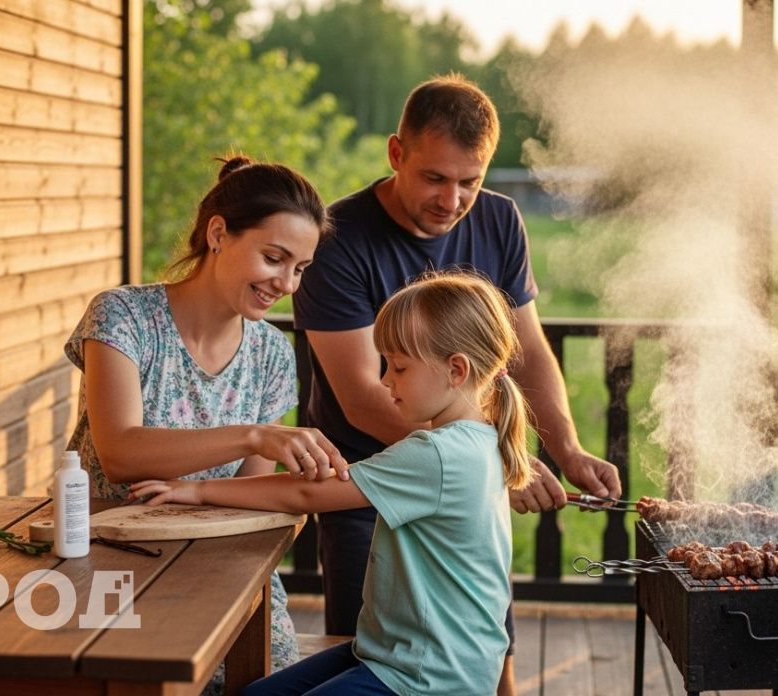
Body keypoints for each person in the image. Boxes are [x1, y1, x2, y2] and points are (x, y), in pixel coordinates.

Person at [291, 73, 623, 693]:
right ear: (396, 153)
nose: (453, 200)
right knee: (370, 664)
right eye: (435, 178)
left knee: (485, 657)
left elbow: (526, 353)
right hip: (361, 486)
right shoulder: (337, 240)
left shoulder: (500, 220)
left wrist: (567, 448)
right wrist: (499, 458)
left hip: (469, 480)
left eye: (470, 181)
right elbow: (363, 398)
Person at [131, 272, 533, 695]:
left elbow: (306, 493)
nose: (384, 380)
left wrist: (197, 490)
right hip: (397, 653)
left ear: (456, 370)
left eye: (399, 367)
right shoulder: (481, 439)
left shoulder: (438, 454)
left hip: (427, 675)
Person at [64, 155, 349, 694]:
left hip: (224, 562)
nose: (287, 282)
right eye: (274, 257)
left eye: (301, 268)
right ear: (218, 233)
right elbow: (119, 452)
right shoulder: (121, 317)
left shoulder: (270, 353)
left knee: (269, 681)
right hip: (105, 563)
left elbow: (249, 493)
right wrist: (254, 434)